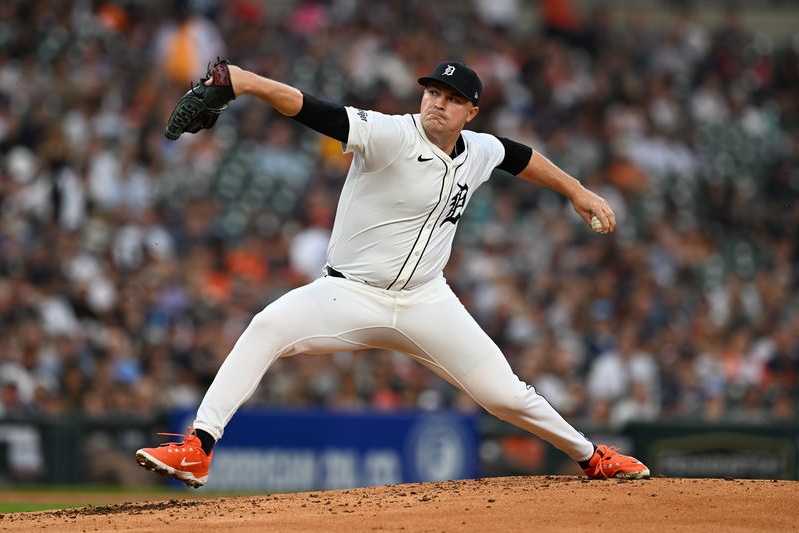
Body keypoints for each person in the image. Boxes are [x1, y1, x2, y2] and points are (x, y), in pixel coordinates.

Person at [135, 60, 649, 487]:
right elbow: (314, 110)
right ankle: (198, 447)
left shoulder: (480, 150)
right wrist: (246, 82)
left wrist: (577, 191)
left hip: (428, 301)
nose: (436, 102)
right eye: (432, 91)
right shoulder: (390, 134)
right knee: (266, 326)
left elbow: (521, 157)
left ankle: (591, 457)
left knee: (504, 394)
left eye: (451, 97)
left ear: (471, 111)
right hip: (348, 293)